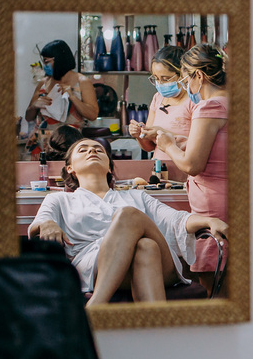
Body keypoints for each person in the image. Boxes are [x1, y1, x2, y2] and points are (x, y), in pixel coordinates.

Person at [28, 137, 227, 306]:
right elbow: (39, 223)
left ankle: (96, 306)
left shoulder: (137, 196)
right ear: (70, 168)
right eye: (83, 150)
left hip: (162, 267)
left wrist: (210, 220)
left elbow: (176, 220)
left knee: (130, 216)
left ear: (109, 167)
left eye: (98, 149)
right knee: (146, 246)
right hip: (93, 267)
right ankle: (158, 332)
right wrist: (47, 223)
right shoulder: (59, 199)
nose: (92, 151)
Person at [149, 44, 230, 293]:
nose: (187, 87)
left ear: (199, 76)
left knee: (216, 285)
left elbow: (192, 165)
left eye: (186, 79)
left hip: (213, 202)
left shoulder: (209, 107)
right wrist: (184, 142)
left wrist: (168, 145)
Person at [23, 39, 100, 150]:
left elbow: (92, 115)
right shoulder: (43, 83)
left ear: (59, 60)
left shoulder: (82, 82)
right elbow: (28, 117)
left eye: (46, 62)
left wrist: (72, 97)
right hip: (41, 144)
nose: (44, 66)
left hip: (69, 144)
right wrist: (34, 106)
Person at [127, 45, 194, 161]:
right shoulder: (158, 98)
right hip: (159, 167)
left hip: (184, 166)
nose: (160, 84)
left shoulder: (194, 101)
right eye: (156, 78)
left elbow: (199, 147)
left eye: (165, 79)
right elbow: (149, 147)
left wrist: (162, 134)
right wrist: (139, 135)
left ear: (182, 75)